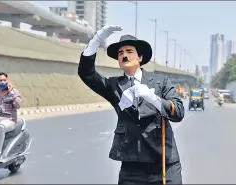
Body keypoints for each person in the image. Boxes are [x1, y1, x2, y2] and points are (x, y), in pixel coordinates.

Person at [78, 25, 185, 184]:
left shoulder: (160, 82)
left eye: (129, 52)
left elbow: (179, 112)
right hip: (131, 167)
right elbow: (87, 74)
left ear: (140, 57)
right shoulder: (113, 85)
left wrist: (152, 97)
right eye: (120, 53)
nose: (124, 56)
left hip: (163, 163)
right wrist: (97, 40)